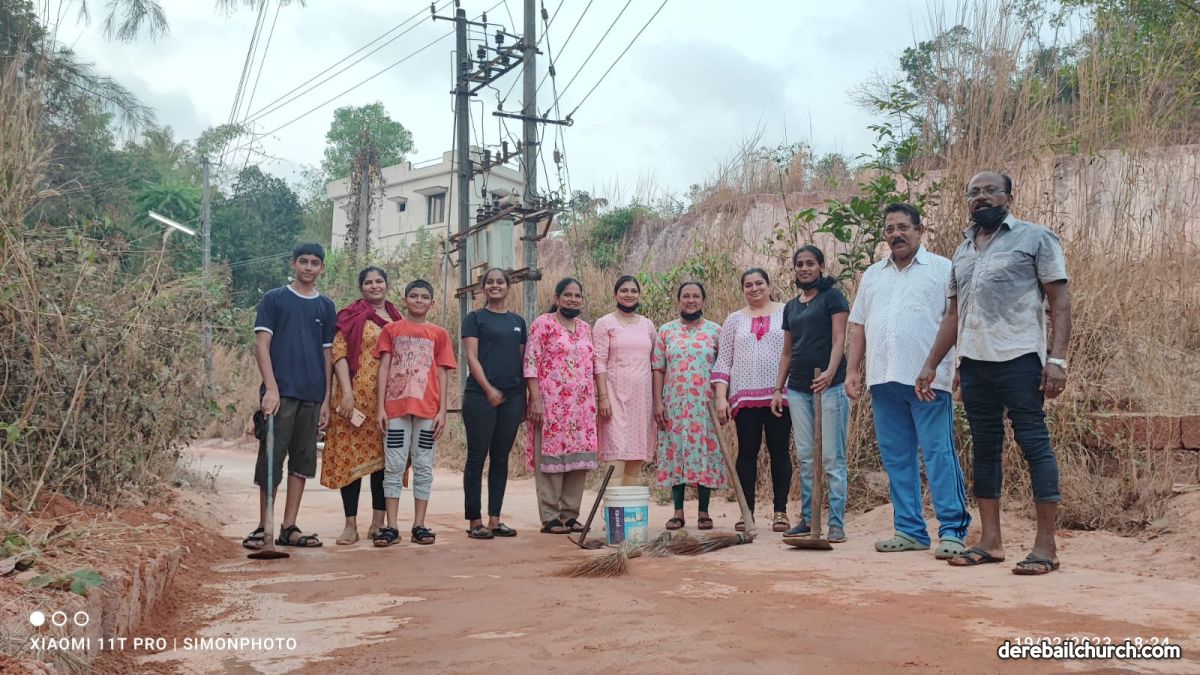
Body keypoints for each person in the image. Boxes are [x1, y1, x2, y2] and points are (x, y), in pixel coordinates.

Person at [917, 171, 1071, 575]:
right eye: (974, 192)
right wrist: (933, 363)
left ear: (1009, 197)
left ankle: (1046, 547)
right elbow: (955, 314)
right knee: (984, 449)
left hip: (1019, 357)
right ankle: (990, 541)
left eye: (990, 191)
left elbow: (1059, 302)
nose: (981, 197)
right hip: (974, 364)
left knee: (1034, 444)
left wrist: (1057, 360)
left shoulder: (1036, 238)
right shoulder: (963, 251)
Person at [845, 204, 971, 558]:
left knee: (938, 454)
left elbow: (958, 319)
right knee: (897, 458)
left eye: (903, 227)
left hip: (928, 381)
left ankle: (953, 530)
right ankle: (910, 530)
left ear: (920, 230)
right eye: (889, 229)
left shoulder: (943, 269)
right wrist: (853, 371)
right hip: (883, 378)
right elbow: (859, 326)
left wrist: (959, 365)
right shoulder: (873, 275)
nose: (896, 234)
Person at [244, 242, 336, 550]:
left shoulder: (325, 306)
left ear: (321, 267)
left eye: (315, 263)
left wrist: (326, 400)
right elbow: (261, 346)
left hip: (312, 394)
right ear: (293, 263)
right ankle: (264, 526)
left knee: (302, 462)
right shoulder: (275, 299)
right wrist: (271, 388)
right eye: (304, 261)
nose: (309, 267)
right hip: (281, 393)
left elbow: (327, 355)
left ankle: (288, 527)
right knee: (271, 459)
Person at [770, 246, 851, 543]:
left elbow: (839, 339)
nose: (804, 269)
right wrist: (778, 389)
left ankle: (836, 523)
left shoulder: (833, 297)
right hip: (798, 389)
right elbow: (787, 352)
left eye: (810, 264)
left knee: (832, 458)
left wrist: (830, 373)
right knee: (805, 457)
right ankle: (807, 518)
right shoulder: (791, 307)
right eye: (799, 264)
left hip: (830, 387)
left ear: (820, 266)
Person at [373, 279, 457, 546]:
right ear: (404, 300)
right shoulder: (391, 330)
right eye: (414, 296)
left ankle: (419, 525)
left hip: (427, 411)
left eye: (424, 296)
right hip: (395, 410)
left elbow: (442, 374)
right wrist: (380, 407)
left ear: (432, 303)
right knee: (394, 466)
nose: (419, 300)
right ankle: (391, 526)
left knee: (423, 466)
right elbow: (384, 368)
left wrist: (442, 411)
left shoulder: (439, 334)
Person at [322, 266, 402, 546]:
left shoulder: (397, 318)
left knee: (384, 463)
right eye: (368, 282)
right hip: (353, 400)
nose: (374, 286)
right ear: (361, 288)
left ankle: (378, 523)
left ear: (387, 285)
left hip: (387, 402)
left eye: (379, 281)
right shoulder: (350, 315)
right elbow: (338, 353)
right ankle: (350, 525)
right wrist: (346, 392)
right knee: (350, 461)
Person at [712, 268, 793, 533]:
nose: (754, 288)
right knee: (747, 452)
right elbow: (723, 361)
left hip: (779, 395)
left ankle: (780, 512)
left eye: (759, 283)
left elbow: (795, 351)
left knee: (779, 451)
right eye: (748, 285)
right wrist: (721, 397)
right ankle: (746, 513)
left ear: (769, 285)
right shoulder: (734, 319)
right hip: (744, 397)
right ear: (743, 289)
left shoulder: (787, 311)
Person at [525, 278, 600, 534]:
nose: (573, 299)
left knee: (578, 460)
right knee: (550, 460)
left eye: (577, 295)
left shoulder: (586, 329)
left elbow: (593, 365)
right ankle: (550, 517)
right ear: (557, 298)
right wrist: (535, 400)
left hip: (582, 408)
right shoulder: (543, 324)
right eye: (568, 295)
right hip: (551, 405)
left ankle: (570, 515)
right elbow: (531, 363)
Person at [653, 281, 726, 530]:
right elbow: (658, 369)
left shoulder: (715, 331)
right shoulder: (666, 331)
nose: (691, 300)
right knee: (676, 452)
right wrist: (658, 402)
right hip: (673, 405)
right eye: (686, 296)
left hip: (705, 406)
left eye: (696, 296)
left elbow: (723, 369)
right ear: (679, 300)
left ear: (703, 300)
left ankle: (704, 512)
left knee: (705, 453)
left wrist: (722, 400)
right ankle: (678, 512)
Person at [461, 268, 527, 540]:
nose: (495, 286)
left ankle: (495, 519)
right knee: (477, 457)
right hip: (480, 396)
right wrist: (488, 389)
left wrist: (523, 399)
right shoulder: (475, 318)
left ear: (508, 286)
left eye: (500, 282)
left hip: (511, 398)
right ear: (483, 287)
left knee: (500, 458)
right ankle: (475, 521)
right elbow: (471, 357)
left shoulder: (518, 322)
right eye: (490, 282)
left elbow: (521, 361)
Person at [593, 275, 656, 486]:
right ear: (615, 294)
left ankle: (630, 506)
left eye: (633, 291)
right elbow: (599, 362)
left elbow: (654, 362)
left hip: (641, 402)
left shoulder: (647, 325)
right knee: (616, 456)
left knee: (636, 458)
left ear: (639, 295)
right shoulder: (605, 324)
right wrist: (603, 398)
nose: (629, 295)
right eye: (624, 290)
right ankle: (613, 506)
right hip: (614, 399)